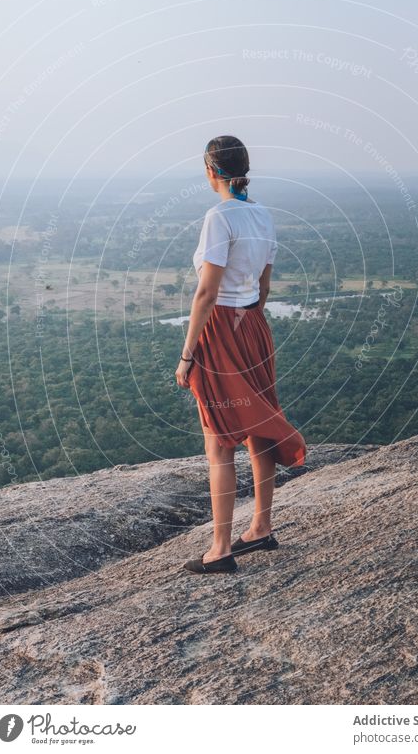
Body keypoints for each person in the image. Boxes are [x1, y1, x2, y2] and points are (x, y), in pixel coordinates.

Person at [175, 136, 306, 575]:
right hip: (253, 325)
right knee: (258, 428)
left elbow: (207, 292)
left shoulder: (219, 217)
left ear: (210, 171)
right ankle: (261, 527)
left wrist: (188, 353)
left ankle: (220, 549)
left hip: (220, 330)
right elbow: (264, 286)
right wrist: (248, 324)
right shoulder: (262, 215)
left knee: (218, 441)